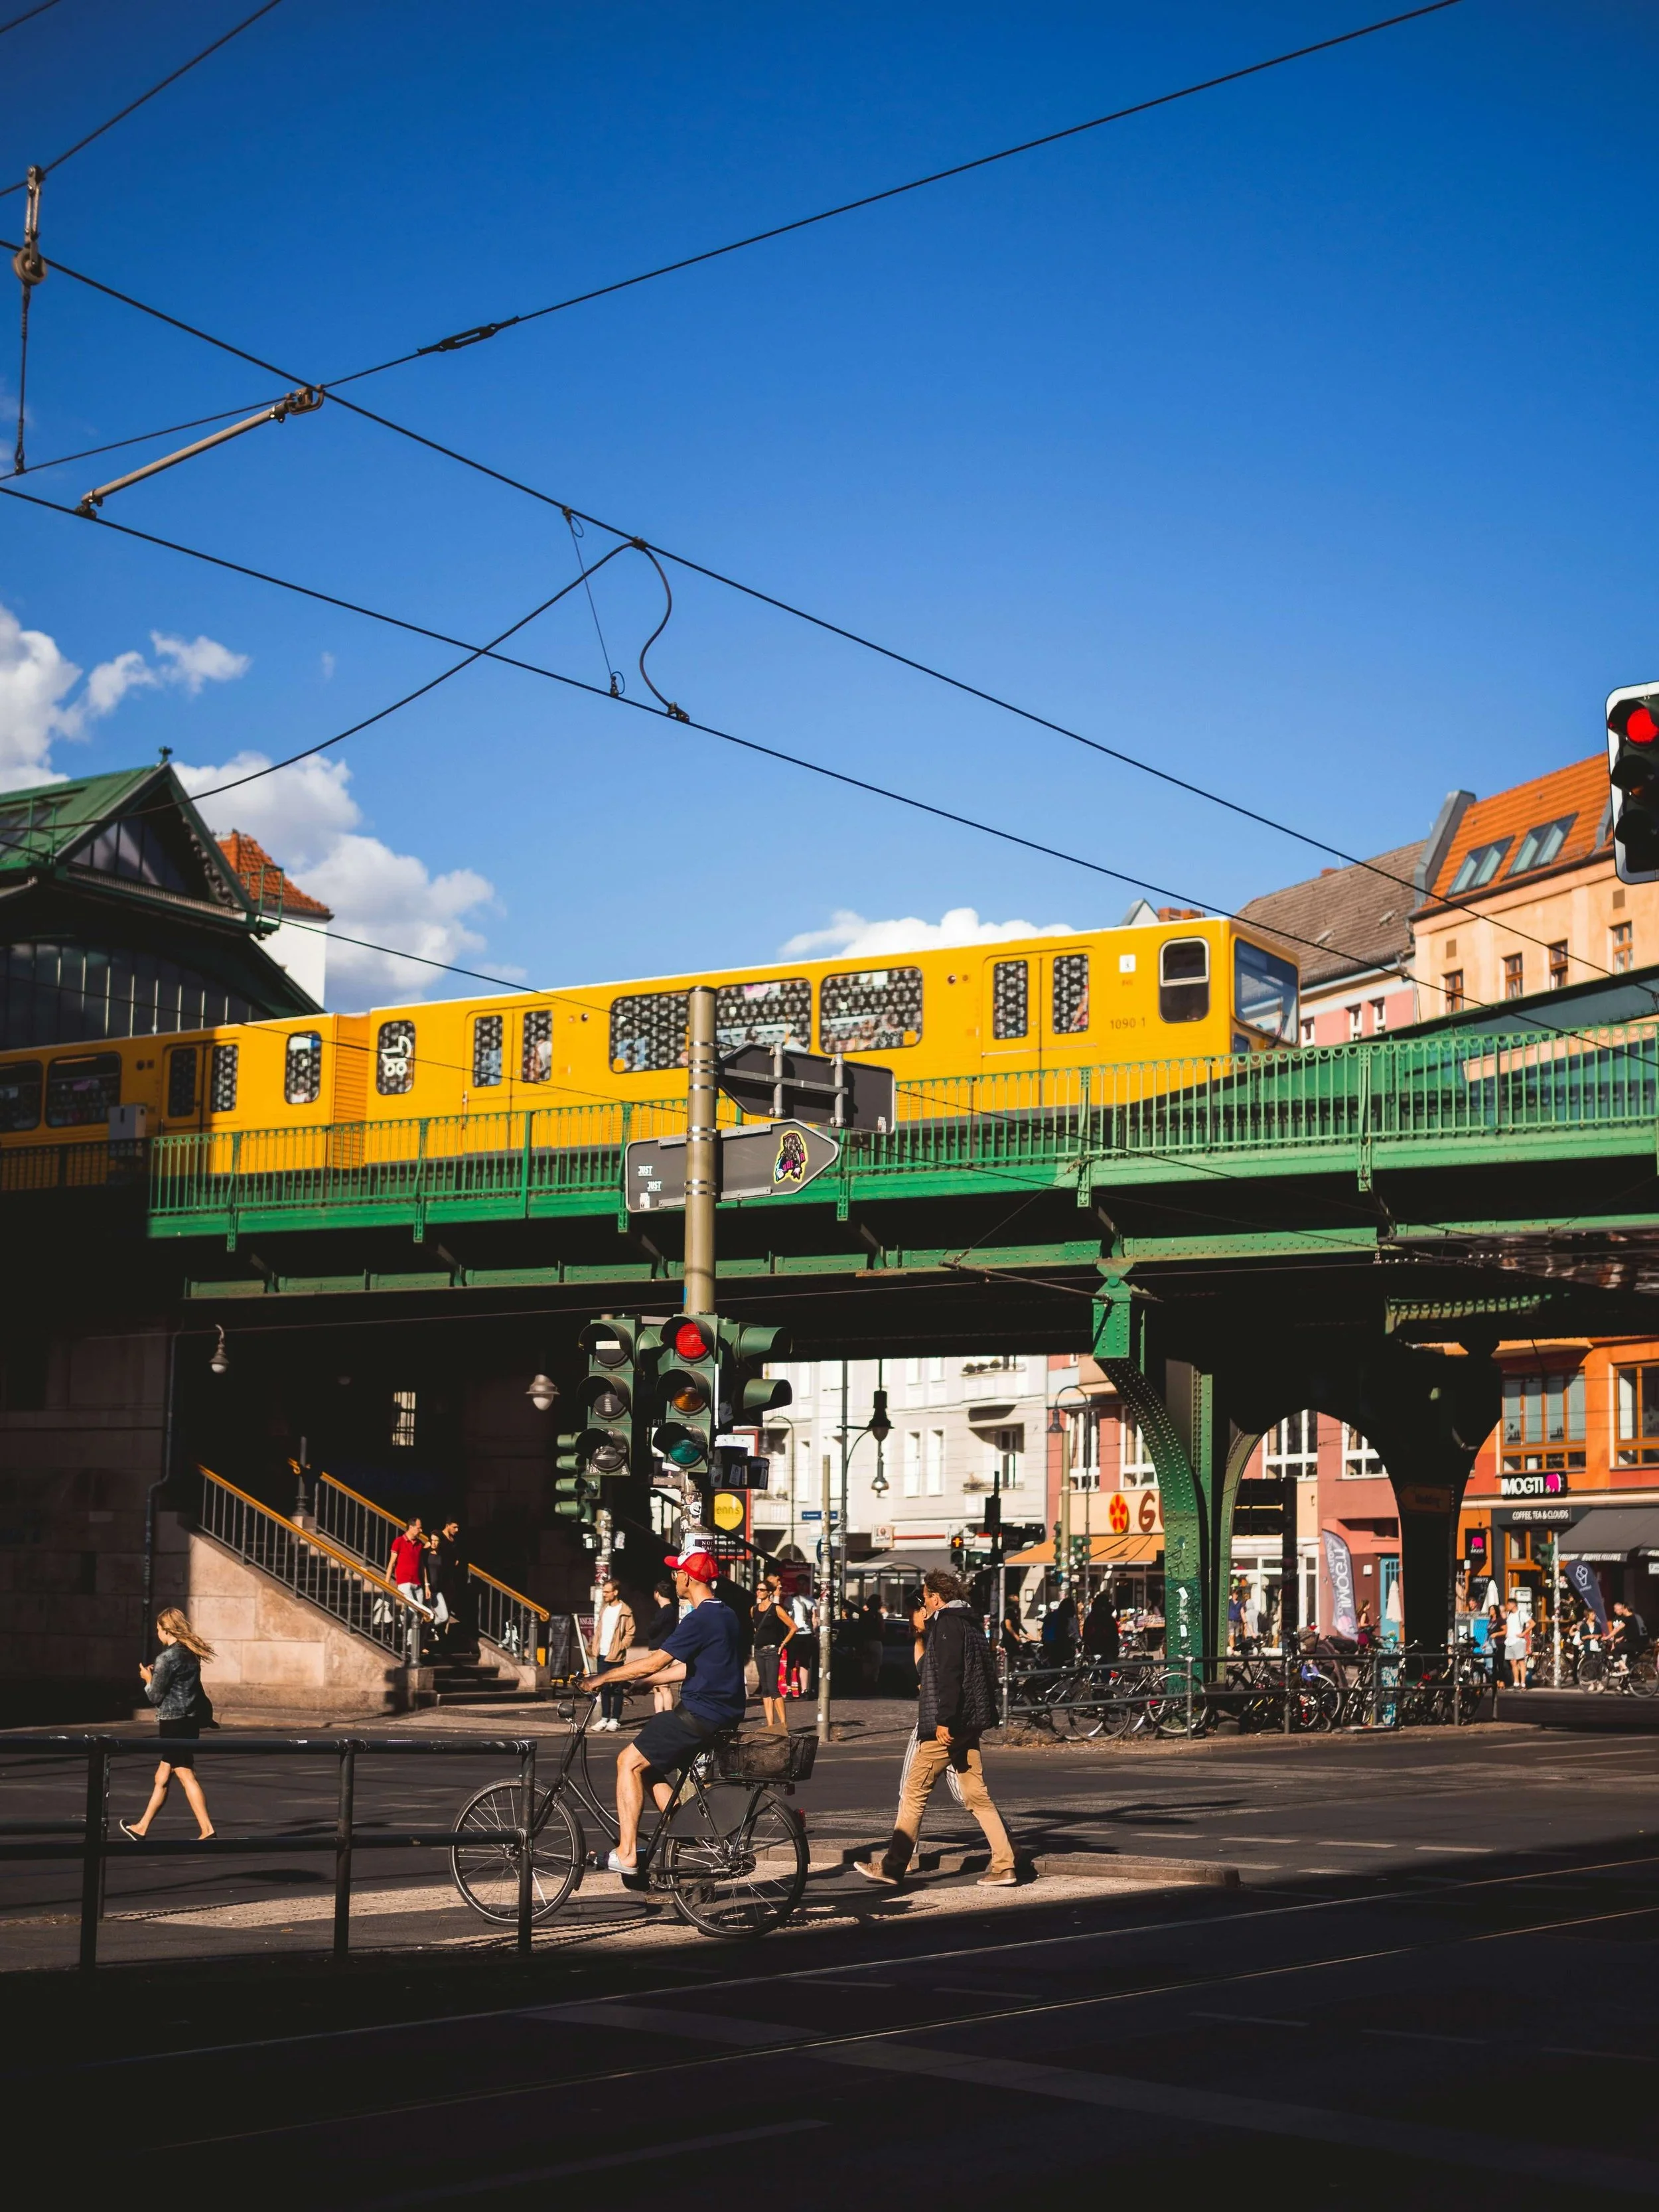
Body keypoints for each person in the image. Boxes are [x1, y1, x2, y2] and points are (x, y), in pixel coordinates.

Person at [857, 1570, 1018, 1890]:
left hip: (949, 1726)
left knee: (914, 1792)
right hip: (972, 1721)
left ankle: (892, 1865)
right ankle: (1006, 1864)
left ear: (936, 1596)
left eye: (926, 1597)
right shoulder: (972, 1623)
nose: (924, 1603)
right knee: (976, 1795)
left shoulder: (946, 1623)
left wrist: (945, 1719)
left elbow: (949, 1674)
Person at [593, 1549, 749, 1877]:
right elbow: (688, 1669)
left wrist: (604, 1677)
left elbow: (657, 1660)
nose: (675, 1578)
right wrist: (647, 1682)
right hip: (724, 1713)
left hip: (700, 1714)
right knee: (649, 1770)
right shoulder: (727, 1614)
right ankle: (687, 1837)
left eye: (678, 1572)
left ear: (689, 1578)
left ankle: (627, 1854)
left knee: (628, 1762)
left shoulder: (700, 1617)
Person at [121, 1609, 216, 1842]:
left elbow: (154, 1696)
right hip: (190, 1720)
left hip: (173, 1722)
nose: (157, 1633)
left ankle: (207, 1830)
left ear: (166, 1629)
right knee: (162, 1775)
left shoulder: (167, 1658)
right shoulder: (190, 1653)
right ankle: (141, 1827)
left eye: (158, 1629)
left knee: (185, 1774)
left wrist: (147, 1679)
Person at [752, 1575, 796, 1730]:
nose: (759, 1592)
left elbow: (793, 1627)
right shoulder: (754, 1609)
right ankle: (770, 1724)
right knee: (765, 1688)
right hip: (759, 1651)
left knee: (773, 1687)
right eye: (757, 1589)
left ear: (769, 1592)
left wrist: (782, 1644)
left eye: (762, 1590)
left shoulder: (776, 1609)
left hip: (772, 1651)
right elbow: (756, 1628)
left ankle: (783, 1724)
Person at [591, 1578, 636, 1731]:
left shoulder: (625, 1611)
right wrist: (594, 1646)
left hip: (616, 1656)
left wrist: (621, 1647)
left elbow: (630, 1632)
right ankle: (604, 1718)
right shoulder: (605, 1609)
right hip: (602, 1654)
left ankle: (615, 1719)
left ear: (615, 1592)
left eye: (607, 1592)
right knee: (603, 1687)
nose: (604, 1595)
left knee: (617, 1688)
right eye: (604, 1592)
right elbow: (599, 1630)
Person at [641, 1574, 684, 1714]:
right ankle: (659, 1715)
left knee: (663, 1686)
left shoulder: (666, 1611)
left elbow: (653, 1629)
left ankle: (667, 1714)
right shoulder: (670, 1610)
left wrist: (650, 1629)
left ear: (657, 1593)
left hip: (660, 1650)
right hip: (659, 1648)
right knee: (657, 1687)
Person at [387, 1516, 433, 1625]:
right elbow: (391, 1563)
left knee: (418, 1615)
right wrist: (386, 1583)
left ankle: (409, 1641)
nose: (421, 1531)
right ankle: (397, 1626)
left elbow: (423, 1566)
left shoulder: (420, 1545)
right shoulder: (399, 1542)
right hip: (405, 1582)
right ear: (411, 1527)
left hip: (418, 1583)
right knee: (413, 1609)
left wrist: (426, 1585)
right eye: (419, 1528)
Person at [1082, 1588, 1119, 1662]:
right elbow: (1114, 1635)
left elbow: (1086, 1636)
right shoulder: (1108, 1619)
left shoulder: (1090, 1618)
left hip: (1093, 1650)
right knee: (1106, 1670)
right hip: (1107, 1650)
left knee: (1095, 1670)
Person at [1503, 1596, 1530, 1691]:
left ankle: (1523, 1683)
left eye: (1508, 1605)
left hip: (1518, 1641)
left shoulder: (1521, 1614)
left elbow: (1532, 1623)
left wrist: (1523, 1633)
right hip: (1510, 1641)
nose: (1507, 1607)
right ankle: (1516, 1682)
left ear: (1513, 1604)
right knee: (1513, 1662)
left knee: (1521, 1662)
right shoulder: (1509, 1614)